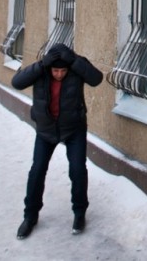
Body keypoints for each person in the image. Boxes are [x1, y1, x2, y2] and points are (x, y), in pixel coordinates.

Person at [11, 43, 103, 240]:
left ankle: (79, 213)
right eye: (56, 70)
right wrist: (41, 64)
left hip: (73, 129)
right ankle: (30, 216)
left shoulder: (76, 68)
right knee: (37, 170)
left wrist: (74, 61)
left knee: (78, 169)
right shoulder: (42, 70)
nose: (59, 74)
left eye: (63, 70)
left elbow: (96, 79)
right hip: (46, 130)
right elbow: (17, 82)